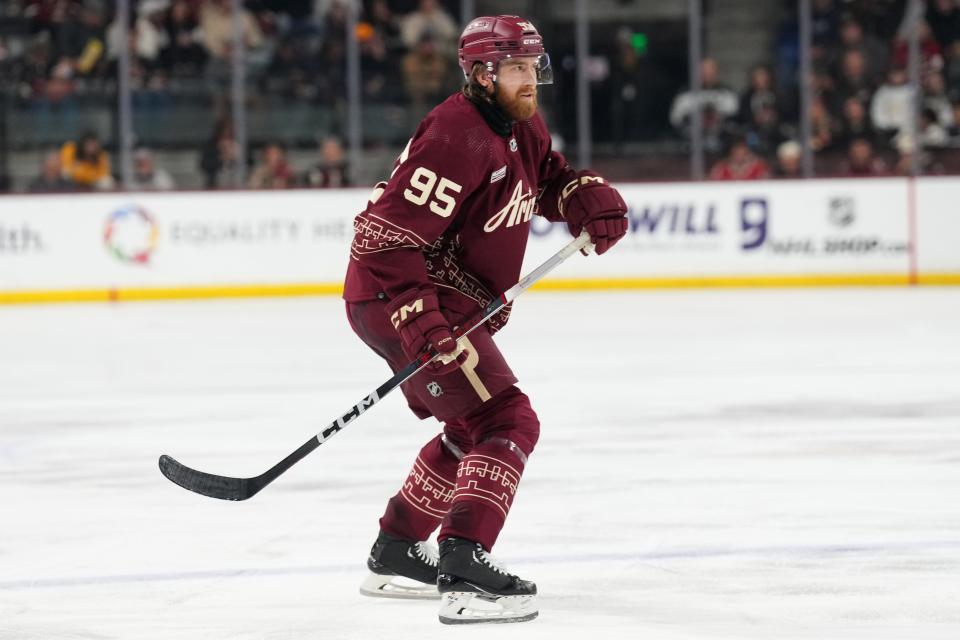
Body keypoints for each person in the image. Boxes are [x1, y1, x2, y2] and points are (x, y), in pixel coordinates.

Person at [343, 15, 628, 625]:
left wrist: (582, 194)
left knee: (469, 427)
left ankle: (396, 549)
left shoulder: (521, 124)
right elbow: (386, 240)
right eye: (518, 69)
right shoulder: (455, 136)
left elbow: (542, 180)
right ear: (481, 73)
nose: (531, 81)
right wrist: (421, 321)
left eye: (534, 67)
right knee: (505, 418)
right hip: (397, 297)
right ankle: (465, 561)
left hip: (434, 300)